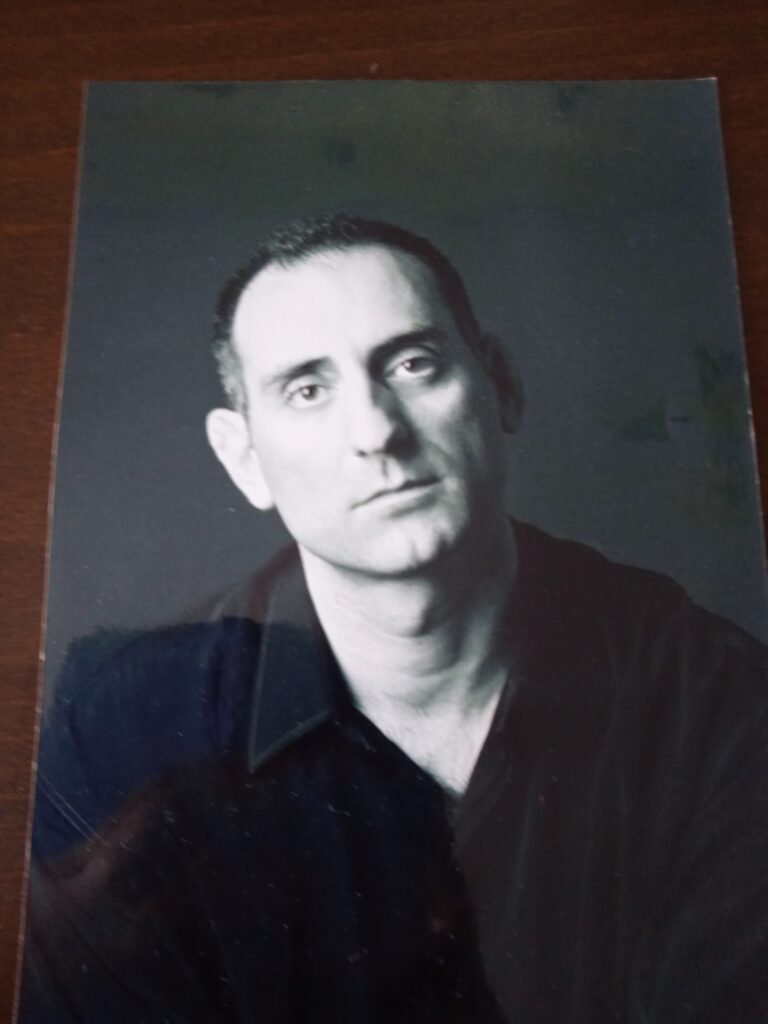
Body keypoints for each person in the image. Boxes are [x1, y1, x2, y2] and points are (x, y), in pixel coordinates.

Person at [19, 214, 768, 1023]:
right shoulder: (118, 722)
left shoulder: (717, 701)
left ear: (501, 385)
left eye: (413, 364)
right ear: (245, 459)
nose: (377, 430)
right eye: (308, 390)